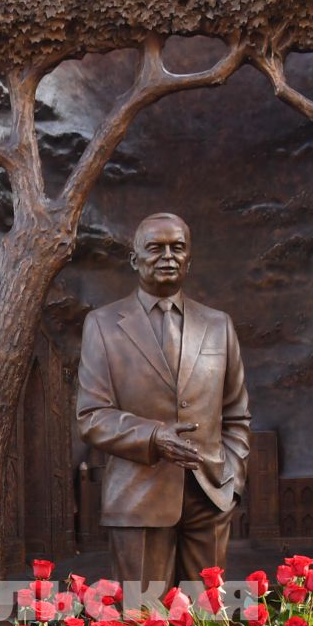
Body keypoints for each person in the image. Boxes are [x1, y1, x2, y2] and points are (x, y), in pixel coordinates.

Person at [77, 211, 251, 588]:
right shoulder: (103, 325)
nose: (168, 256)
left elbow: (236, 414)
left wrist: (231, 480)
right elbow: (91, 415)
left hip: (210, 497)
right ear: (134, 259)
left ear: (190, 258)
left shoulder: (218, 325)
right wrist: (154, 437)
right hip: (138, 499)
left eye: (178, 247)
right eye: (155, 248)